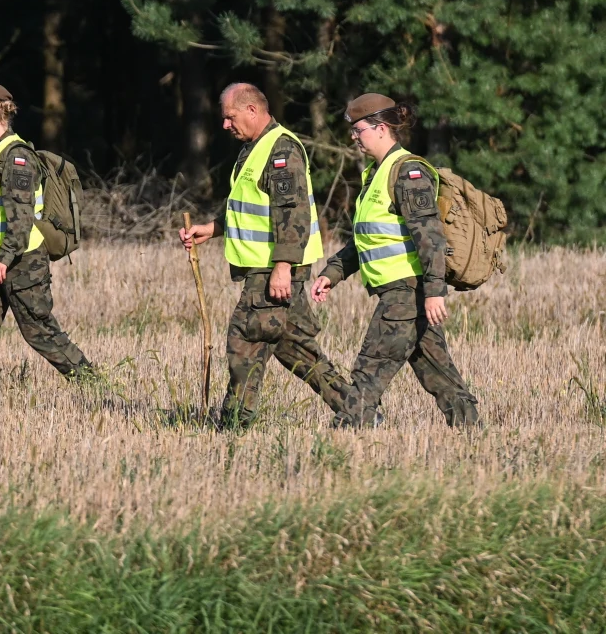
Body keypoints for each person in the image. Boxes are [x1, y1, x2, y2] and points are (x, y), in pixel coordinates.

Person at [179, 84, 356, 429]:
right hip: (266, 267)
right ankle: (359, 411)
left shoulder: (281, 149)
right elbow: (251, 209)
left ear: (252, 110)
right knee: (295, 350)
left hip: (271, 268)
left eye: (230, 117)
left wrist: (282, 268)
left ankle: (231, 427)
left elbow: (293, 213)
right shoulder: (253, 149)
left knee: (244, 344)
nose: (226, 125)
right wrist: (212, 228)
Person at [310, 93, 480, 428]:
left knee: (369, 370)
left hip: (407, 291)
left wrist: (434, 292)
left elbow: (430, 236)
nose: (353, 137)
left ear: (382, 128)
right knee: (438, 374)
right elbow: (369, 239)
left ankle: (347, 435)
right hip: (402, 291)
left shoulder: (408, 172)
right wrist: (333, 273)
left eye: (359, 129)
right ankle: (472, 433)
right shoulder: (376, 173)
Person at [0, 82, 95, 387]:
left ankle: (93, 383)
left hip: (21, 260)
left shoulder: (16, 157)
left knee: (40, 331)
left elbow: (21, 220)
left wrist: (4, 258)